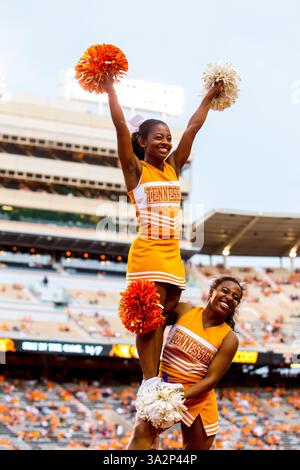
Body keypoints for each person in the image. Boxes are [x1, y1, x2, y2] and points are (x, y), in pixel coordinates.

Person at [104, 77, 223, 391]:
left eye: (168, 138)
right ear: (142, 141)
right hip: (149, 251)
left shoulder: (173, 167)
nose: (166, 142)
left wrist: (209, 97)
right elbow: (119, 126)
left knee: (165, 315)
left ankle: (160, 377)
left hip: (173, 254)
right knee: (149, 318)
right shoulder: (135, 170)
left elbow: (193, 127)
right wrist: (110, 89)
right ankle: (149, 381)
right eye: (158, 138)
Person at [127, 276, 243, 450]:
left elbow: (211, 379)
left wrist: (178, 396)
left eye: (235, 297)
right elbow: (155, 325)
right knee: (141, 435)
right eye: (225, 291)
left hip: (196, 397)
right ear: (212, 292)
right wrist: (150, 378)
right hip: (163, 388)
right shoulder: (185, 310)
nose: (229, 298)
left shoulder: (229, 338)